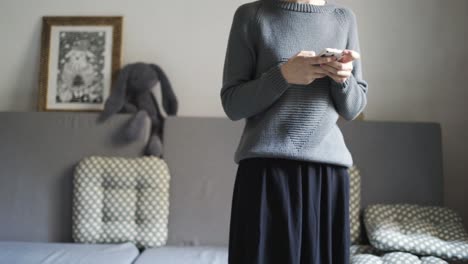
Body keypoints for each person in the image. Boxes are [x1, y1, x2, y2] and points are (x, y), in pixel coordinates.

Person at [220, 0, 368, 263]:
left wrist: (342, 79)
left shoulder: (344, 18)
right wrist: (284, 75)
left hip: (327, 176)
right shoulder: (251, 16)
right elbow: (233, 104)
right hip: (265, 173)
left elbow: (353, 109)